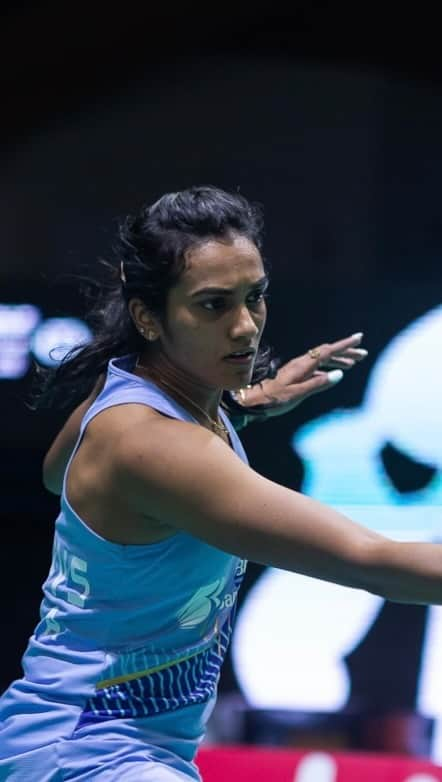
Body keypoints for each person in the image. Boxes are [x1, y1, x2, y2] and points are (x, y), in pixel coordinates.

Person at [0, 184, 438, 782]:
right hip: (86, 753)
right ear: (148, 317)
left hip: (85, 742)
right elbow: (368, 560)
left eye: (254, 297)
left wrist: (243, 404)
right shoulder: (154, 446)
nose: (245, 328)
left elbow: (57, 474)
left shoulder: (123, 398)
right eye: (213, 305)